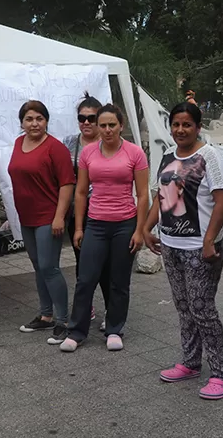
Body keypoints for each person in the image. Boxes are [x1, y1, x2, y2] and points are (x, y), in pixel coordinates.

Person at [143, 102, 223, 400]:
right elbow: (162, 195)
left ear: (198, 126)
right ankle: (191, 362)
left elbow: (222, 200)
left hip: (200, 247)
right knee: (184, 307)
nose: (180, 130)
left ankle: (220, 373)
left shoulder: (209, 156)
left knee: (202, 308)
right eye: (175, 124)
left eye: (186, 124)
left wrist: (209, 240)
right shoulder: (169, 156)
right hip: (171, 244)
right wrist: (147, 227)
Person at [61, 104, 149, 353]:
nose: (108, 129)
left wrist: (139, 230)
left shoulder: (134, 153)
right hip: (95, 224)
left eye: (112, 125)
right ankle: (76, 332)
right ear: (97, 128)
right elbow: (80, 192)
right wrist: (79, 228)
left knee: (119, 281)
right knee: (85, 278)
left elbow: (143, 195)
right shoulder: (89, 153)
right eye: (103, 125)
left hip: (124, 223)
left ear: (121, 125)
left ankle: (114, 329)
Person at [8, 100, 76, 344]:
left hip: (49, 217)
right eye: (29, 119)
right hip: (26, 216)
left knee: (49, 267)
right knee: (38, 266)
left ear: (46, 121)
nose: (34, 123)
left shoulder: (55, 148)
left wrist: (59, 216)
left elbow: (67, 183)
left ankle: (63, 320)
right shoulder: (18, 143)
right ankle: (46, 315)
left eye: (39, 118)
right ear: (22, 122)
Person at [62, 93, 110, 330]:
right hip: (78, 211)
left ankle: (112, 310)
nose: (87, 123)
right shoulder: (70, 143)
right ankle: (86, 306)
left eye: (92, 118)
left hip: (106, 210)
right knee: (83, 261)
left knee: (107, 263)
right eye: (82, 118)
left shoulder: (109, 142)